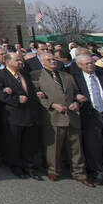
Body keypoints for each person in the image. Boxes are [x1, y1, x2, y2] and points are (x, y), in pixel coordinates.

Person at [31, 52, 93, 186]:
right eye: (49, 59)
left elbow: (77, 93)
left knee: (76, 147)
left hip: (72, 115)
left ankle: (79, 173)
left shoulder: (67, 76)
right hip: (53, 115)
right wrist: (51, 105)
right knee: (54, 146)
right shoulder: (36, 76)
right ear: (42, 61)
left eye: (54, 59)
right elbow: (36, 95)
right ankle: (53, 170)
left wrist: (77, 101)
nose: (53, 61)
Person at [0, 52, 40, 180]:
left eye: (21, 60)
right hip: (13, 114)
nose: (20, 62)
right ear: (8, 62)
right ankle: (16, 166)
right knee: (14, 143)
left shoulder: (24, 74)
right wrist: (16, 99)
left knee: (27, 142)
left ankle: (28, 166)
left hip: (28, 113)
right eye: (17, 60)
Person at [72, 54, 103, 185]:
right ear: (80, 65)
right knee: (93, 146)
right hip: (90, 115)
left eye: (91, 63)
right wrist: (77, 96)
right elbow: (70, 93)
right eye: (87, 64)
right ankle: (98, 173)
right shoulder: (75, 78)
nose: (91, 66)